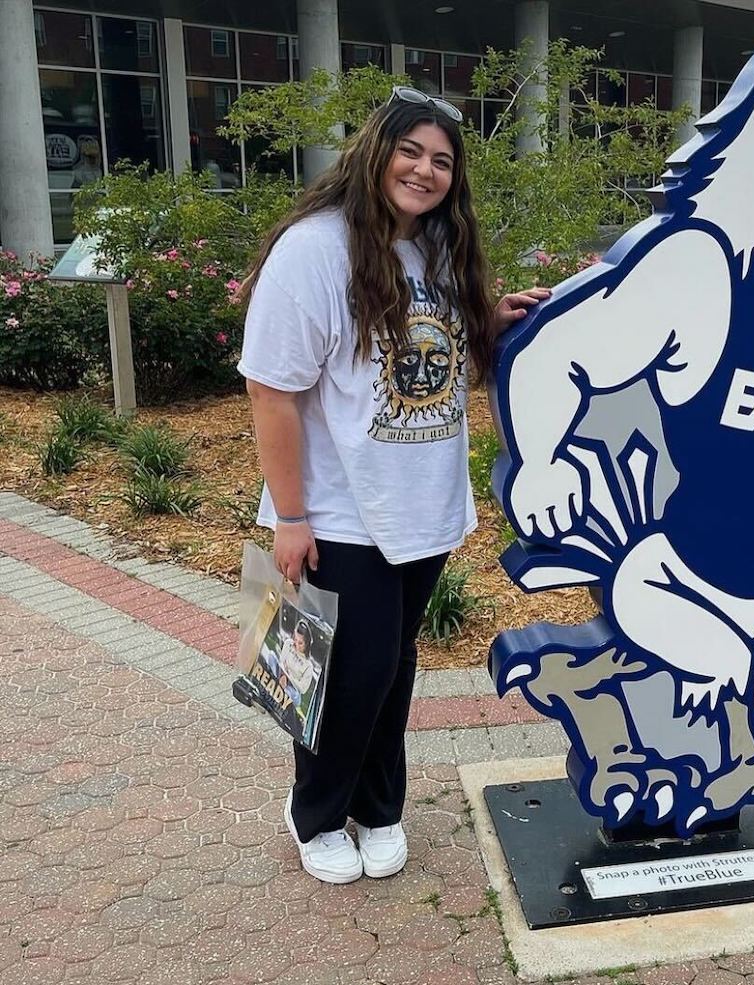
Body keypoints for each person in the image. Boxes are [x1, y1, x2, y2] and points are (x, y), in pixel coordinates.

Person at [237, 87, 550, 884]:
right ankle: (316, 811)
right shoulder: (315, 250)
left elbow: (434, 356)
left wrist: (493, 321)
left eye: (442, 160)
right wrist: (293, 516)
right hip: (343, 514)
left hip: (423, 506)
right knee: (349, 674)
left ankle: (378, 806)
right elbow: (271, 390)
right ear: (374, 151)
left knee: (390, 667)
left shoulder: (436, 249)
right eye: (411, 151)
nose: (425, 169)